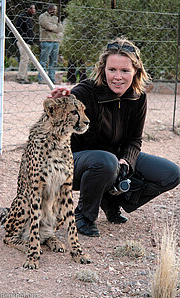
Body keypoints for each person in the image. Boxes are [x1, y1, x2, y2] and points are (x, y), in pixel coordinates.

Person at [51, 37, 180, 237]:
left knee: (170, 173)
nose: (117, 77)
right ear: (103, 69)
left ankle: (112, 198)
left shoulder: (138, 96)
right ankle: (83, 216)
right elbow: (56, 130)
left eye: (125, 71)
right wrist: (61, 106)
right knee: (105, 161)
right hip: (74, 162)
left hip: (113, 160)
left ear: (136, 71)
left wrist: (126, 162)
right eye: (112, 70)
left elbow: (134, 140)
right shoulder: (85, 92)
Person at [38, 4, 63, 84]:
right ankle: (42, 79)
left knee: (53, 61)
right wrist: (55, 27)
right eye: (54, 9)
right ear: (50, 9)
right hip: (46, 41)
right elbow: (48, 27)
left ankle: (52, 79)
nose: (55, 11)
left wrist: (53, 28)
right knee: (43, 61)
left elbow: (61, 28)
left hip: (55, 42)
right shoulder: (42, 16)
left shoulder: (56, 18)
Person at [16, 4, 36, 84]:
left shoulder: (28, 18)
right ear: (29, 9)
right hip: (23, 41)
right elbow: (18, 28)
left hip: (27, 41)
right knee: (24, 59)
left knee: (26, 59)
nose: (34, 10)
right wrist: (24, 38)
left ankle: (24, 77)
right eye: (33, 8)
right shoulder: (22, 17)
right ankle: (21, 78)